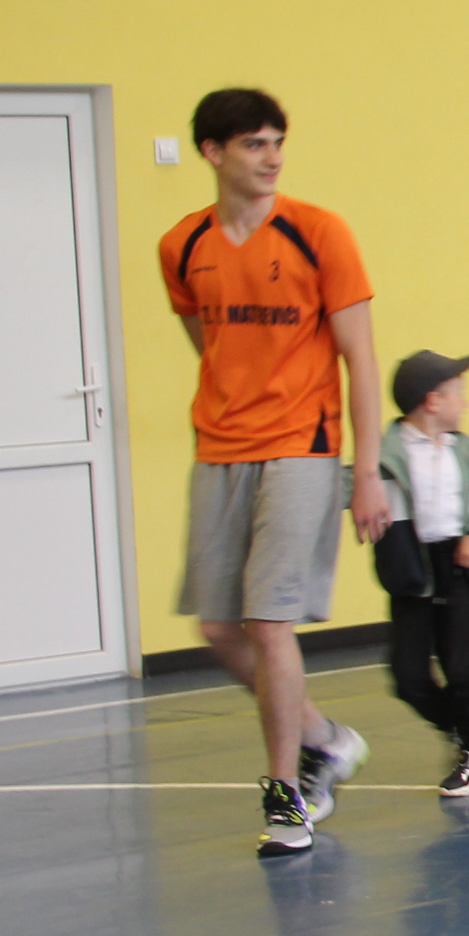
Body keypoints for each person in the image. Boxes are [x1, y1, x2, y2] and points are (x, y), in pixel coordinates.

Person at [158, 89, 388, 856]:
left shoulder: (320, 233)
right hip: (220, 448)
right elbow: (209, 342)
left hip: (303, 445)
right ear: (213, 152)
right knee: (219, 629)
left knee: (267, 622)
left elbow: (360, 358)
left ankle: (286, 793)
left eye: (277, 143)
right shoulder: (182, 246)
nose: (272, 158)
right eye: (255, 144)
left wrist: (365, 473)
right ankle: (323, 738)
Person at [375, 349, 469, 800]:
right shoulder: (385, 455)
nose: (464, 403)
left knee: (463, 667)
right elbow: (352, 489)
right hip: (411, 570)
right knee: (408, 676)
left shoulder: (464, 452)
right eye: (457, 394)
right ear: (432, 401)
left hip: (459, 566)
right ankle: (460, 727)